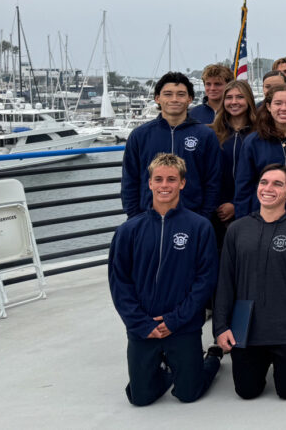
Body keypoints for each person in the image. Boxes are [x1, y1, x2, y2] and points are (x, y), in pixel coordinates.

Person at [108, 153, 221, 406]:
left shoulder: (199, 226)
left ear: (182, 183)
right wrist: (139, 322)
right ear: (149, 183)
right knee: (139, 398)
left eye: (171, 179)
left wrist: (175, 320)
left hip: (182, 325)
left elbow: (205, 279)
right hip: (143, 327)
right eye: (158, 179)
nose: (164, 185)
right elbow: (119, 282)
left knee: (188, 394)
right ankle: (165, 368)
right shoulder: (128, 231)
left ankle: (210, 358)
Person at [214, 164, 286, 400]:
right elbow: (225, 283)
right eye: (264, 182)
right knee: (247, 391)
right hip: (248, 328)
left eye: (277, 184)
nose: (268, 188)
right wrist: (221, 327)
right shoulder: (237, 229)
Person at [121, 72, 221, 219]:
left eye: (181, 94)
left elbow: (213, 180)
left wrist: (203, 217)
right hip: (148, 217)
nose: (174, 99)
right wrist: (136, 217)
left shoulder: (205, 135)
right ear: (157, 98)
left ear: (190, 99)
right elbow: (129, 180)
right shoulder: (139, 136)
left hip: (193, 218)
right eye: (168, 94)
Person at [233, 85, 286, 222]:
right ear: (268, 106)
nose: (283, 108)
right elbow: (243, 186)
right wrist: (242, 221)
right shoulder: (253, 142)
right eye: (278, 103)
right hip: (260, 217)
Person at [209, 80, 256, 249]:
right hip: (216, 211)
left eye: (240, 97)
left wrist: (237, 205)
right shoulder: (211, 133)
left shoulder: (260, 133)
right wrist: (218, 205)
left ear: (249, 100)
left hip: (250, 209)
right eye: (229, 97)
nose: (234, 102)